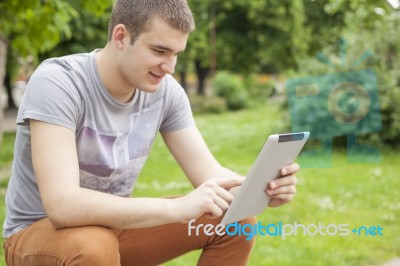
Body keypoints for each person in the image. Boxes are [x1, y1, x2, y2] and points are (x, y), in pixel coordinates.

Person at [2, 0, 300, 265]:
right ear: (121, 36)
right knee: (92, 245)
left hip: (114, 231)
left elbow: (209, 175)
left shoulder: (165, 92)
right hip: (39, 236)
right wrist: (177, 209)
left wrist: (258, 189)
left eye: (177, 54)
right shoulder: (59, 82)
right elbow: (62, 206)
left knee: (236, 221)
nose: (169, 67)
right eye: (159, 51)